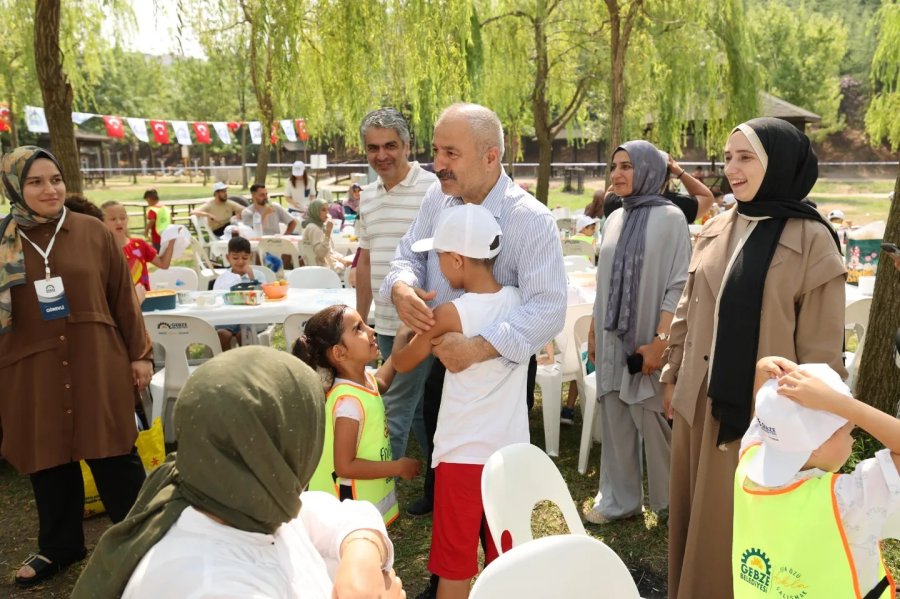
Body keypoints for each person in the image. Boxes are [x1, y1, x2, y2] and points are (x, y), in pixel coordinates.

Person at [662, 117, 847, 599]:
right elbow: (688, 305)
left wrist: (820, 431)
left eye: (746, 158)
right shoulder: (718, 225)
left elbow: (823, 352)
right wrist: (672, 374)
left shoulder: (812, 240)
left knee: (741, 523)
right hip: (698, 401)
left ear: (779, 164)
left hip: (765, 416)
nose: (732, 169)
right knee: (694, 514)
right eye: (727, 158)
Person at [381, 103, 565, 574]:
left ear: (490, 156)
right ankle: (453, 573)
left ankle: (496, 577)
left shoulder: (531, 220)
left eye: (450, 153)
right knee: (447, 477)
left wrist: (478, 347)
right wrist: (401, 287)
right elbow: (406, 256)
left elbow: (548, 308)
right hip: (440, 363)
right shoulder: (438, 199)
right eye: (436, 150)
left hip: (499, 379)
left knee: (497, 498)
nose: (437, 163)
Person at [71, 346, 406, 599]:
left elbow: (335, 513)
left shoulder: (230, 495)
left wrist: (362, 552)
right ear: (279, 450)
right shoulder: (211, 584)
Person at [0, 146, 151, 587]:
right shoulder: (3, 240)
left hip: (96, 357)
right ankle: (60, 546)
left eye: (55, 179)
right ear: (14, 187)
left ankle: (141, 541)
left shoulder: (92, 231)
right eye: (35, 182)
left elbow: (123, 295)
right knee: (46, 454)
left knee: (113, 448)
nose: (49, 189)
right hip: (29, 365)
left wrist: (139, 354)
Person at [392, 203, 529, 599]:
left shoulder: (451, 312)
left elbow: (402, 363)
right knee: (507, 556)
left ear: (456, 259)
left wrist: (406, 330)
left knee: (455, 564)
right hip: (509, 454)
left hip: (462, 456)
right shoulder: (521, 300)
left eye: (439, 257)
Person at [583, 140, 691, 525]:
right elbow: (603, 281)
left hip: (649, 334)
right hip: (612, 337)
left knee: (652, 419)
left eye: (627, 166)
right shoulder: (614, 217)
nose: (618, 174)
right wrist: (595, 332)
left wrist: (661, 341)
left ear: (648, 170)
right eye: (614, 167)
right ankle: (620, 500)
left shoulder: (671, 218)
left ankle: (669, 503)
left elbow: (679, 284)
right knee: (614, 416)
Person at [732, 357, 900, 599]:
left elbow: (769, 422)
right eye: (848, 430)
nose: (853, 441)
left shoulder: (748, 464)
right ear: (818, 445)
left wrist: (764, 378)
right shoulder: (846, 501)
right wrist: (842, 405)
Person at [355, 107, 438, 466]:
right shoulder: (367, 197)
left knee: (393, 408)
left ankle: (381, 492)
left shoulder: (433, 188)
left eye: (390, 145)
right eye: (373, 148)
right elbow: (366, 261)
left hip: (421, 321)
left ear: (406, 145)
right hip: (385, 322)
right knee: (417, 407)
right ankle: (436, 479)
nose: (382, 155)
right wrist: (359, 319)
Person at [294, 305, 420, 525]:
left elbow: (380, 383)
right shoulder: (347, 404)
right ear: (339, 353)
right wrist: (398, 467)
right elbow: (345, 466)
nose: (371, 331)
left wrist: (401, 341)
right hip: (347, 517)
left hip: (361, 509)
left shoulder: (362, 380)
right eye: (358, 329)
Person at [603, 154, 713, 224]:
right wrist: (679, 171)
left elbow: (609, 191)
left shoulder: (616, 204)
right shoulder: (674, 206)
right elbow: (707, 197)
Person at [101, 201, 175, 304]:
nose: (119, 222)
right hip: (118, 306)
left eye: (122, 218)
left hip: (145, 303)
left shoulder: (140, 245)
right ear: (102, 222)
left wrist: (171, 242)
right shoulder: (102, 251)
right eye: (113, 219)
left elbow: (163, 264)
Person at [212, 236, 255, 351]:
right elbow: (216, 298)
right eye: (235, 258)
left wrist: (251, 277)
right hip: (227, 319)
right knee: (222, 335)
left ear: (251, 257)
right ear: (228, 258)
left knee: (245, 335)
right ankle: (226, 364)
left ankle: (246, 364)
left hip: (249, 319)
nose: (240, 262)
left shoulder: (257, 275)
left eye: (245, 258)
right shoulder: (223, 278)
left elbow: (261, 295)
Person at [301, 198, 353, 274]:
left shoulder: (317, 226)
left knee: (353, 259)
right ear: (315, 211)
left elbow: (329, 251)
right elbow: (321, 253)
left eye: (327, 210)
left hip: (327, 266)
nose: (327, 213)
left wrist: (342, 259)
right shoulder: (314, 228)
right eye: (323, 210)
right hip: (326, 270)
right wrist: (328, 232)